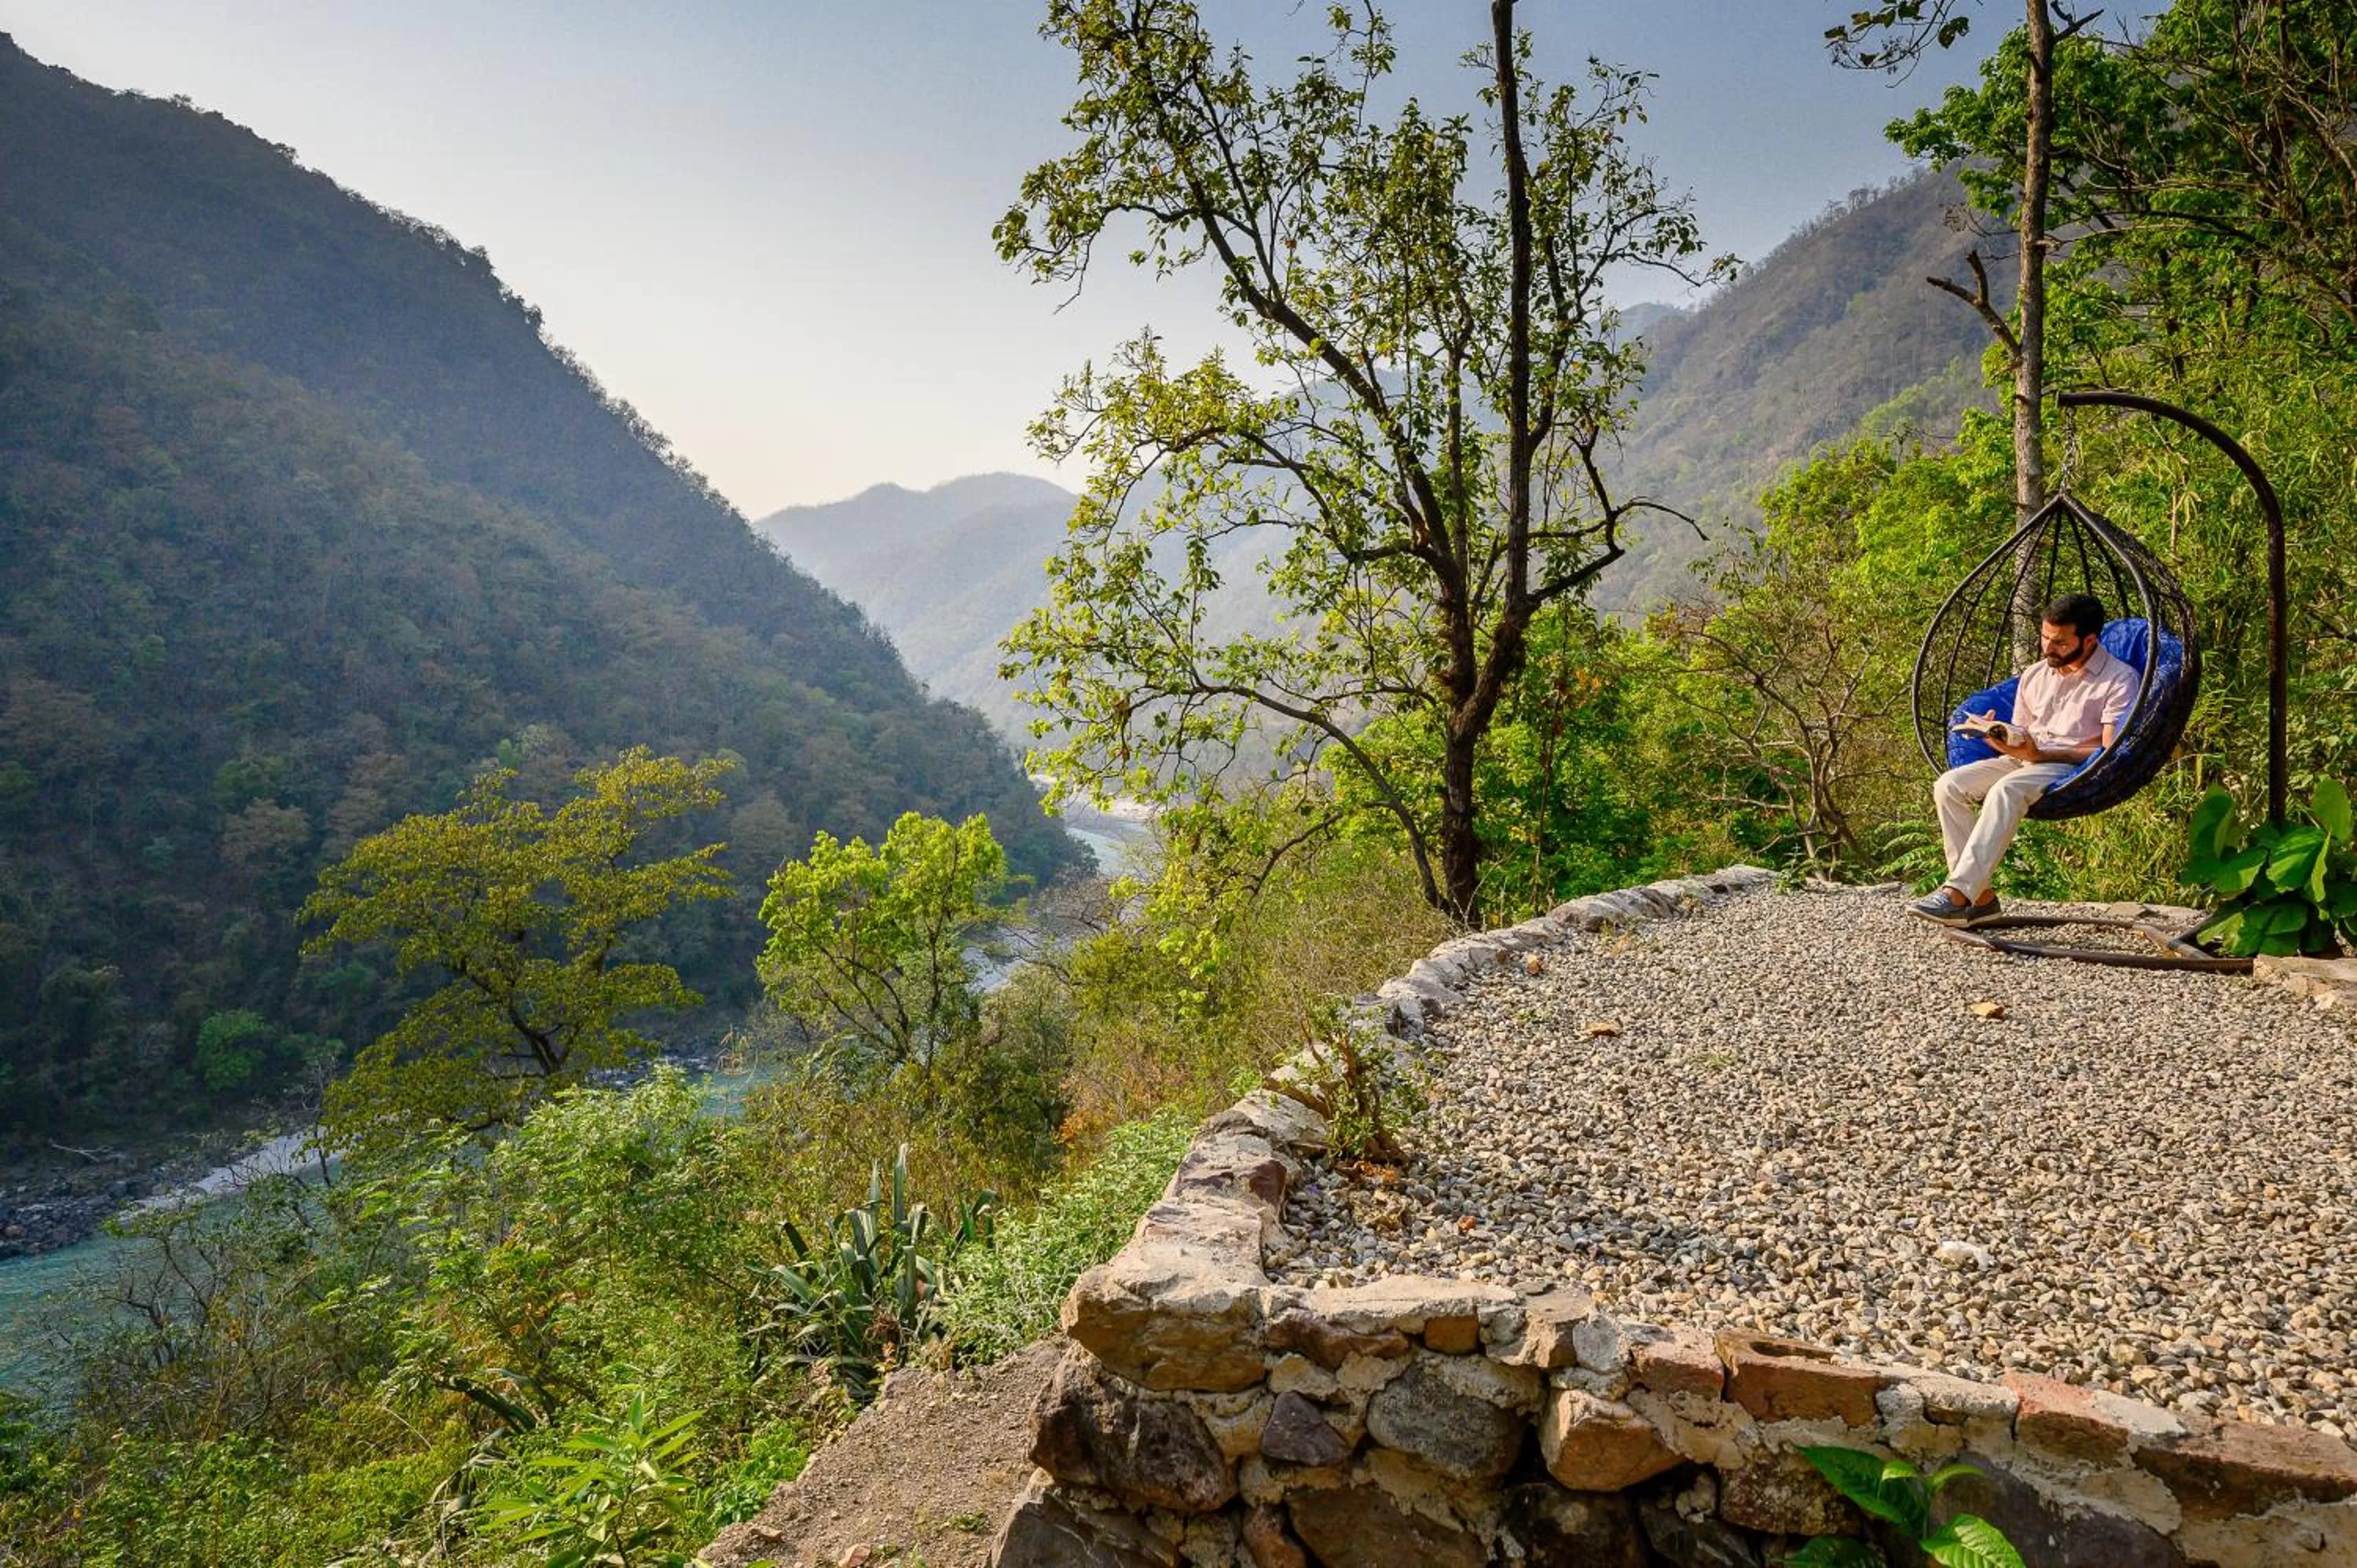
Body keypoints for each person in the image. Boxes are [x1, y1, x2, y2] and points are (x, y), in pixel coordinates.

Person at [1910, 592, 2140, 925]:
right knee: (1949, 786)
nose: (2048, 648)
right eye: (2045, 637)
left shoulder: (2118, 680)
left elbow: (2108, 751)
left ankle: (1957, 893)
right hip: (2024, 760)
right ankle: (1983, 899)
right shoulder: (2036, 674)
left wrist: (2041, 754)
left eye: (2060, 642)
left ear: (2089, 640)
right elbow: (2024, 731)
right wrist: (1996, 733)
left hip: (2069, 767)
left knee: (2007, 790)